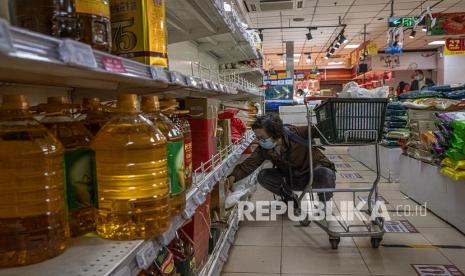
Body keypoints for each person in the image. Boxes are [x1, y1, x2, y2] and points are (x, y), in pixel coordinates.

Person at [226, 113, 336, 205]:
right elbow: (250, 163)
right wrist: (233, 177)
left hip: (313, 174)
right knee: (263, 176)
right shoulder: (264, 148)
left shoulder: (297, 133)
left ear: (276, 134)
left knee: (325, 174)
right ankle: (291, 200)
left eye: (262, 138)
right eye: (257, 137)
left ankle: (324, 204)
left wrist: (332, 122)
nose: (259, 141)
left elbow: (322, 129)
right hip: (293, 178)